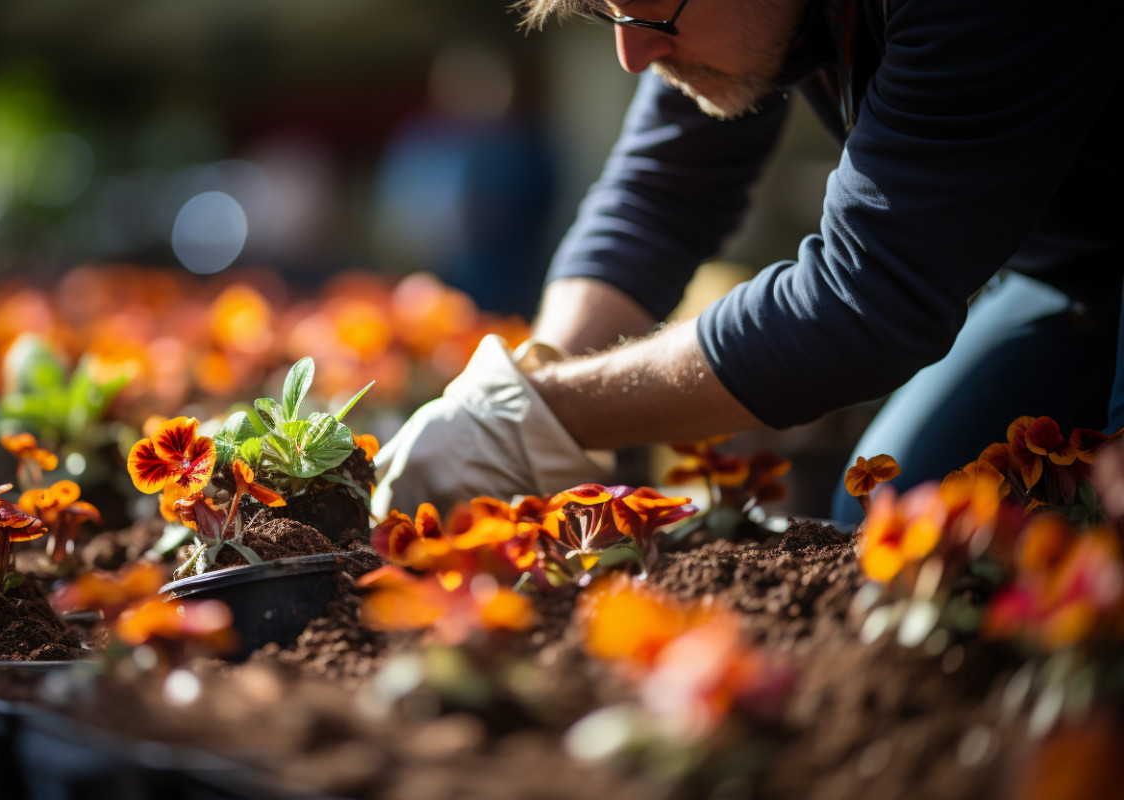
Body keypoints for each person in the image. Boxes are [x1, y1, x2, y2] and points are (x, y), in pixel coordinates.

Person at [371, 0, 1124, 524]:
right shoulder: (730, 20)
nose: (633, 54)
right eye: (611, 12)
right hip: (1067, 277)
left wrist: (534, 414)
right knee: (885, 511)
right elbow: (661, 196)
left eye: (653, 11)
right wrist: (531, 380)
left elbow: (864, 301)